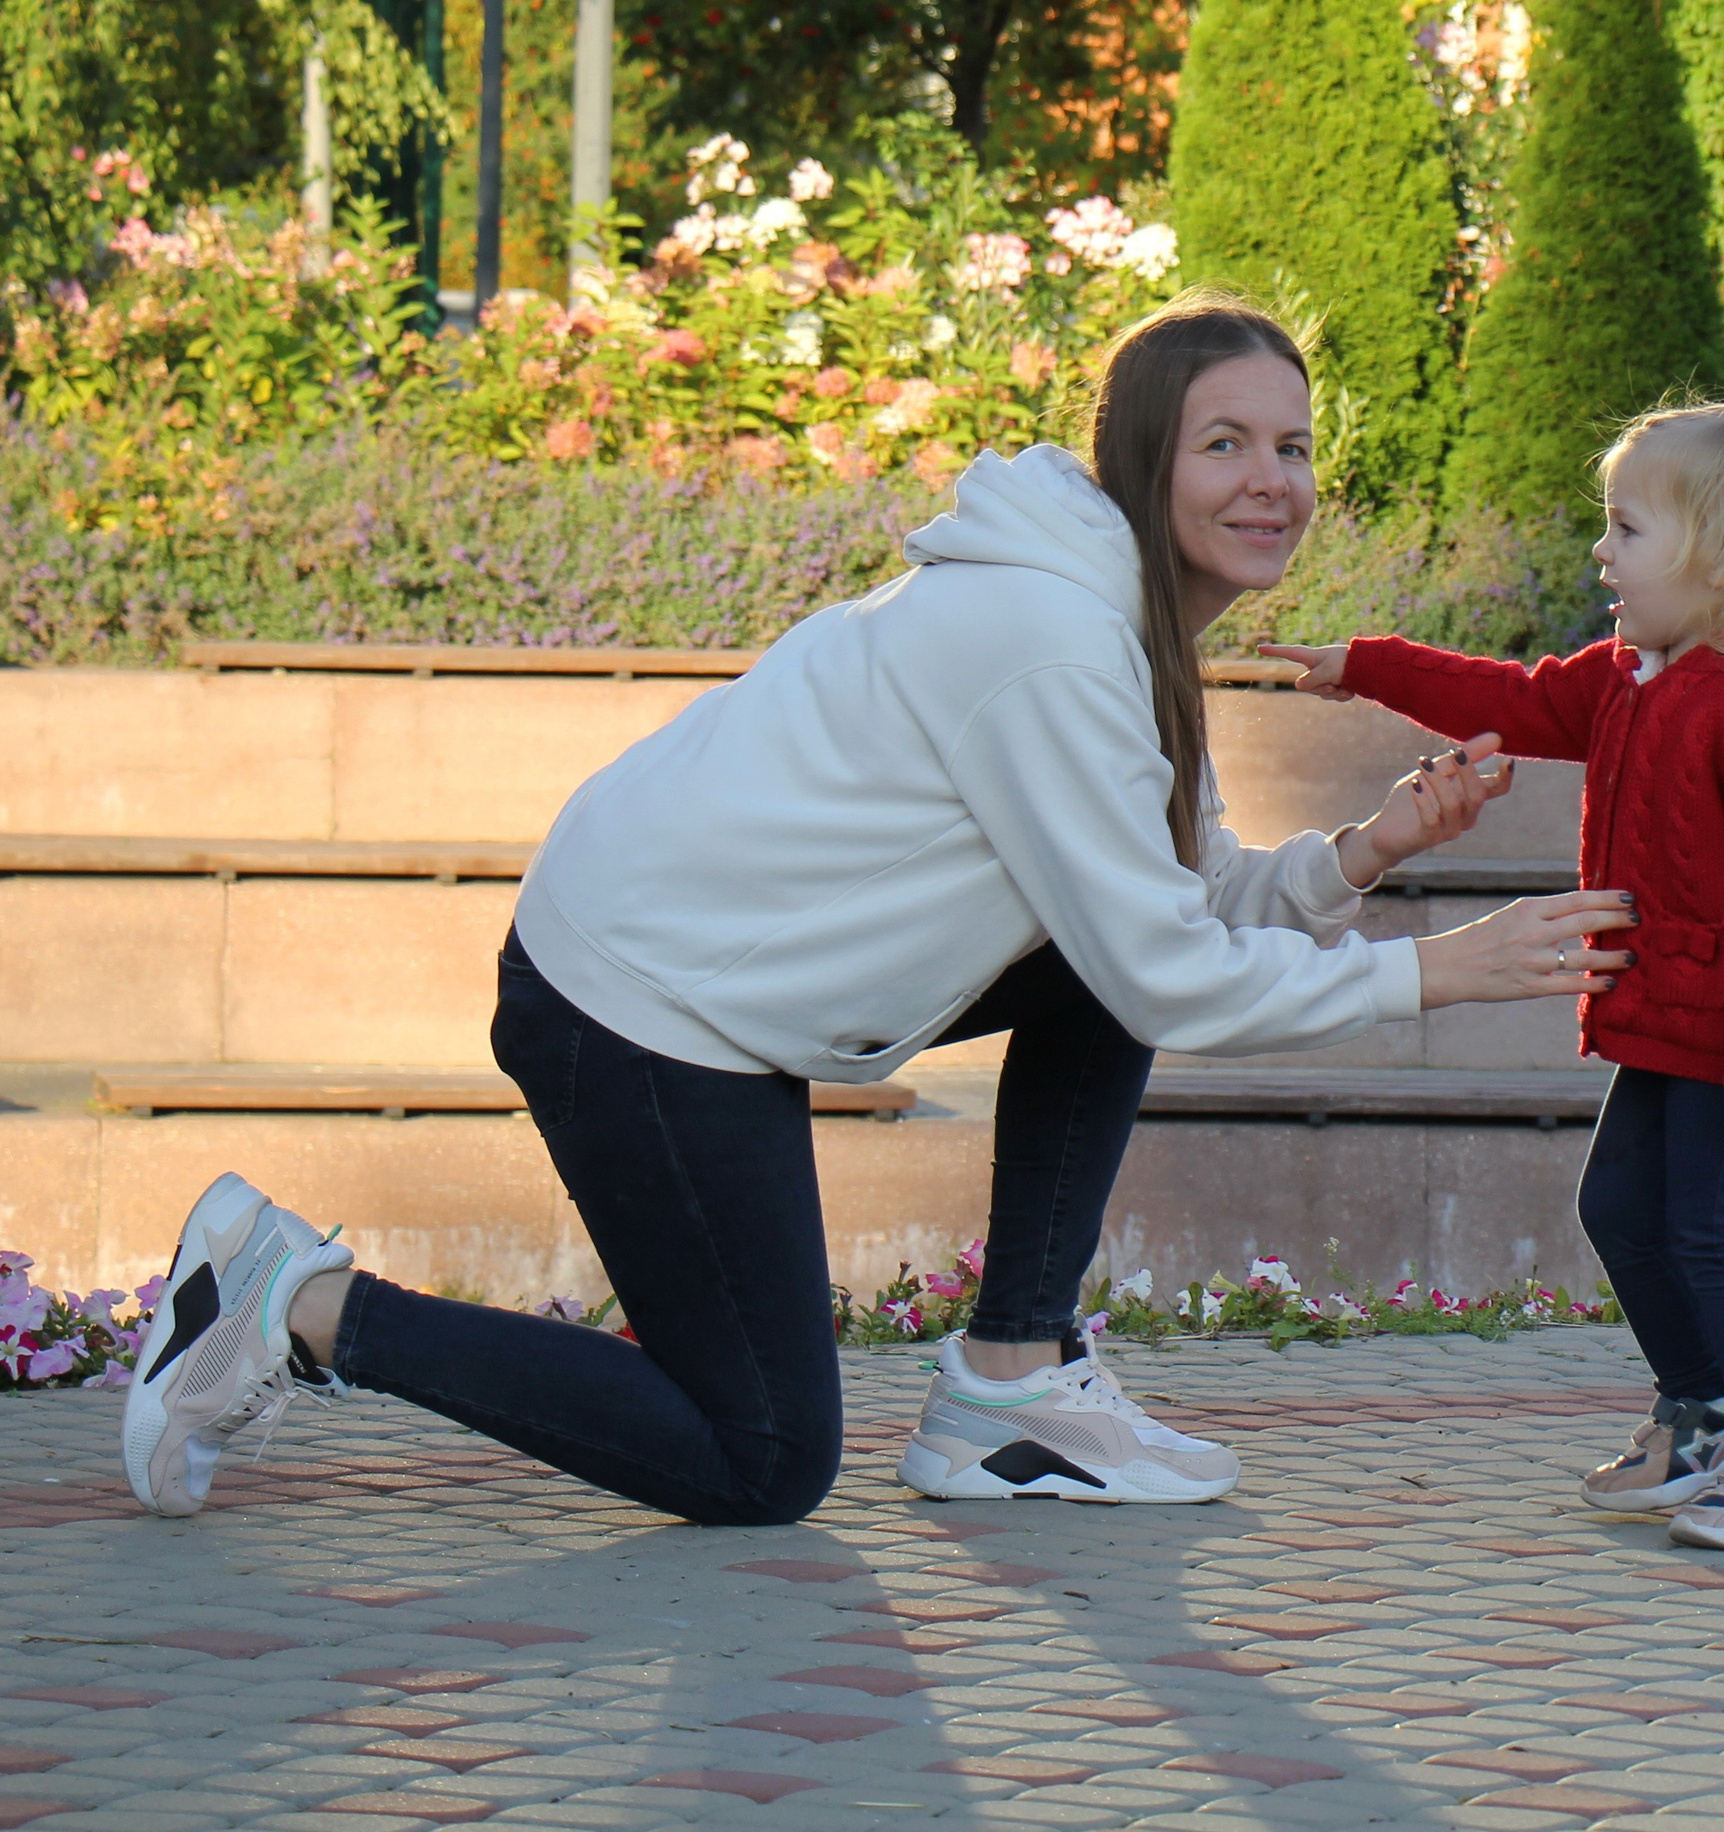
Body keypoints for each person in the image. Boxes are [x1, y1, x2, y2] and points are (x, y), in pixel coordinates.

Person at [118, 293, 1636, 1526]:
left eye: (1293, 447)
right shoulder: (1051, 640)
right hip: (640, 1000)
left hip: (725, 984)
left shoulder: (1116, 625)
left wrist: (1357, 855)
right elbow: (1173, 974)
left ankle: (1012, 1383)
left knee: (1101, 964)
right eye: (1224, 444)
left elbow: (1167, 907)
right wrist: (1430, 973)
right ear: (1138, 464)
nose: (1270, 482)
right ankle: (300, 1304)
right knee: (759, 1460)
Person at [1264, 399, 1724, 1552]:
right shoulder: (1631, 675)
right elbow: (1511, 698)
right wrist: (1366, 666)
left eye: (1628, 530)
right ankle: (1700, 1415)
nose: (1602, 551)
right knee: (1616, 1209)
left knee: (1708, 1234)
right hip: (1668, 1012)